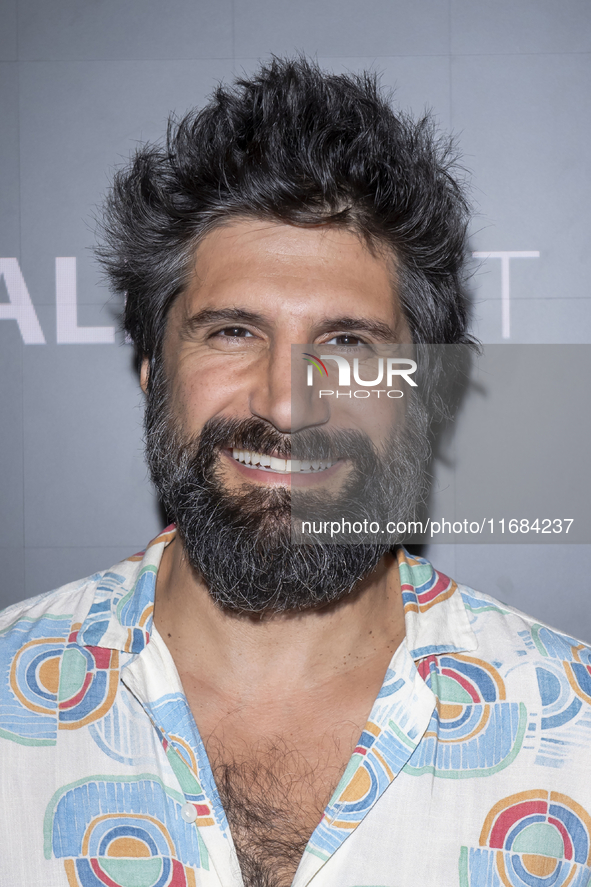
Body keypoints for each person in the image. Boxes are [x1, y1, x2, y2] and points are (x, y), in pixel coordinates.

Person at [1, 58, 590, 887]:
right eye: (233, 332)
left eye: (347, 342)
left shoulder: (577, 733)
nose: (287, 403)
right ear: (152, 374)